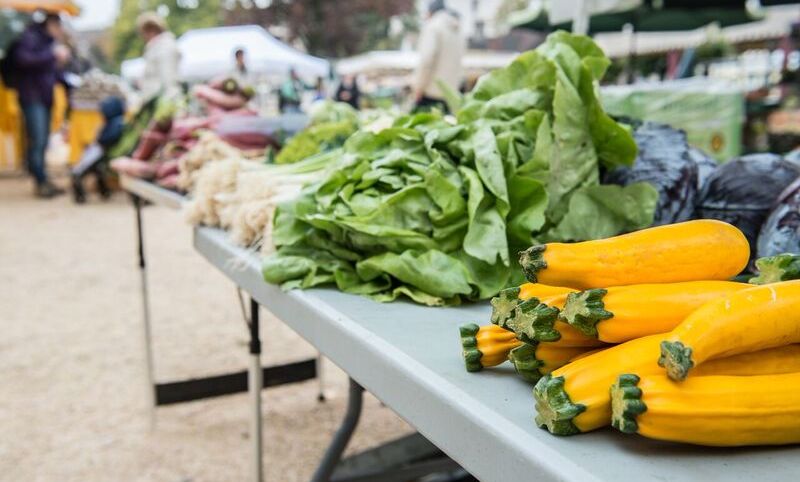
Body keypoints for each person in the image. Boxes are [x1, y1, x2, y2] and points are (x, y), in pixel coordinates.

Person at [10, 11, 71, 198]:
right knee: (38, 140)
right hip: (32, 96)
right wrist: (52, 55)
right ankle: (40, 181)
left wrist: (68, 82)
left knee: (43, 140)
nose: (60, 31)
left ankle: (42, 179)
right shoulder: (31, 37)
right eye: (59, 27)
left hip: (44, 96)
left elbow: (52, 73)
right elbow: (23, 59)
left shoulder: (48, 42)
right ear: (51, 24)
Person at [413, 0, 465, 113]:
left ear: (430, 12)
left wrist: (418, 87)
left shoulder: (433, 27)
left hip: (431, 92)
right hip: (451, 93)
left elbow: (426, 60)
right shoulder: (457, 29)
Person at [136, 12, 180, 102]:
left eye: (143, 32)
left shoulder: (165, 47)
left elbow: (169, 79)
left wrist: (170, 103)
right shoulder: (156, 47)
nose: (143, 36)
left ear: (151, 29)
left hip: (162, 101)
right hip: (156, 100)